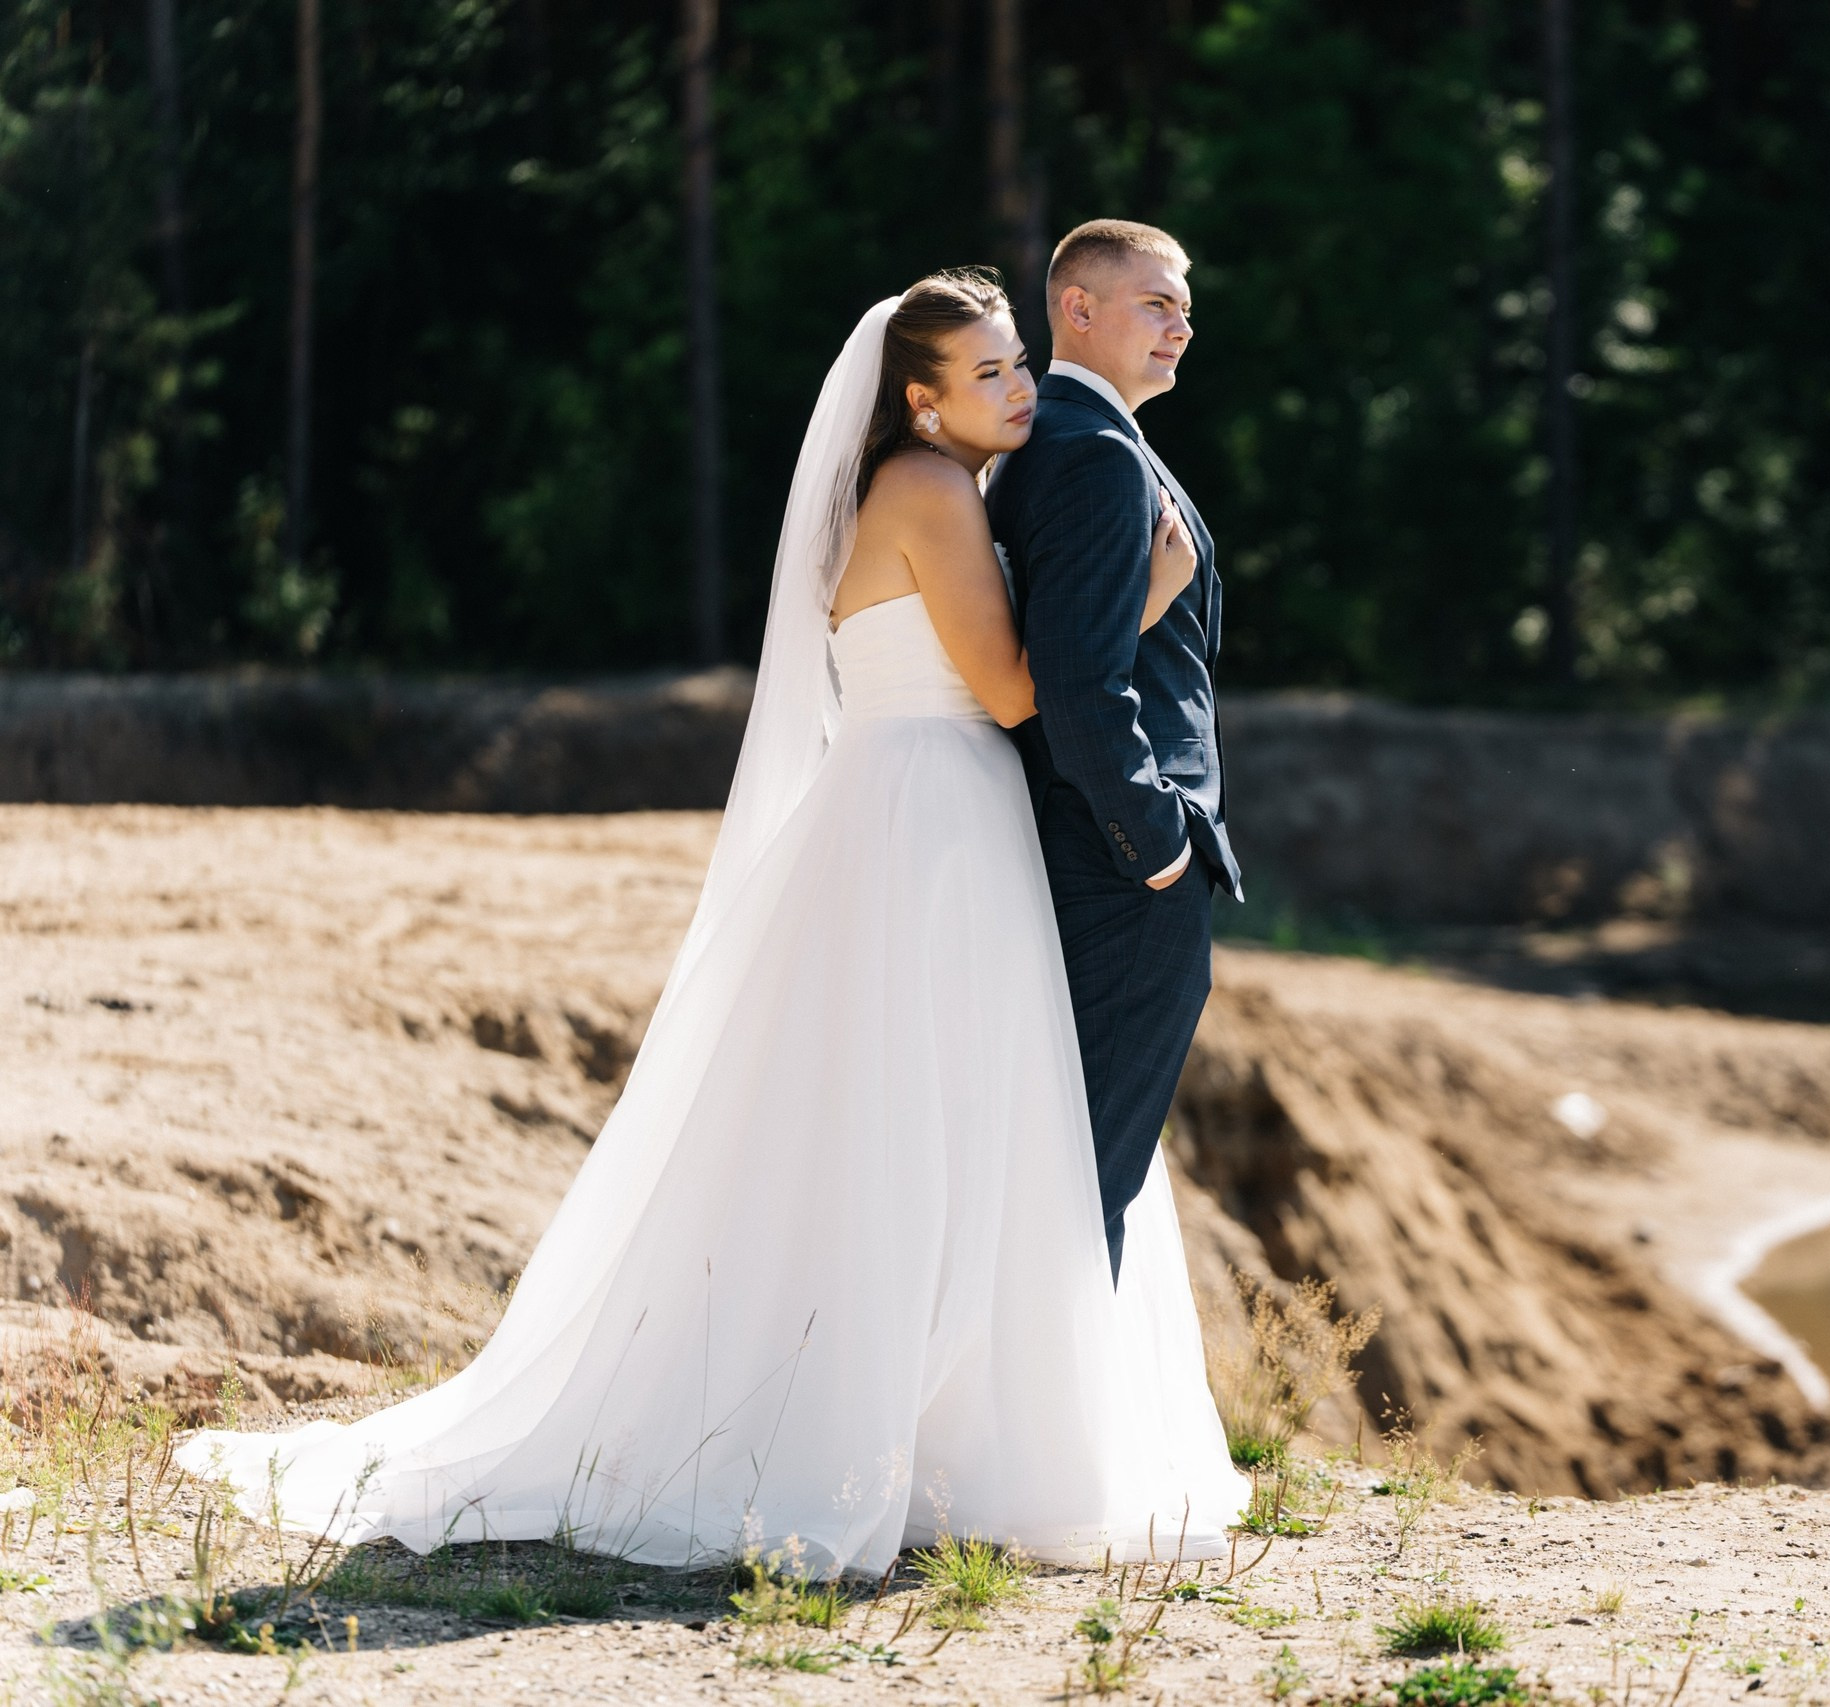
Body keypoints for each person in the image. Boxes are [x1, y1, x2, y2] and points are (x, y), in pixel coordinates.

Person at [173, 267, 1246, 1578]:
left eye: (1018, 367)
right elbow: (1020, 690)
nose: (1018, 391)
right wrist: (1151, 586)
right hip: (933, 822)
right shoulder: (927, 489)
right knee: (927, 1125)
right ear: (921, 398)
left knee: (913, 1130)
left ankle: (916, 1419)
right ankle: (889, 1430)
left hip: (916, 810)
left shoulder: (927, 488)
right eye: (990, 374)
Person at [988, 220, 1238, 1279]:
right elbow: (1082, 686)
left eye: (1184, 306)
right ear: (1076, 310)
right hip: (1121, 863)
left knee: (1068, 1161)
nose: (1181, 325)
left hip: (1097, 853)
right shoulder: (1089, 454)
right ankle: (1030, 1435)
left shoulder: (1068, 438)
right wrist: (1159, 845)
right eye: (1156, 304)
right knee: (1087, 1172)